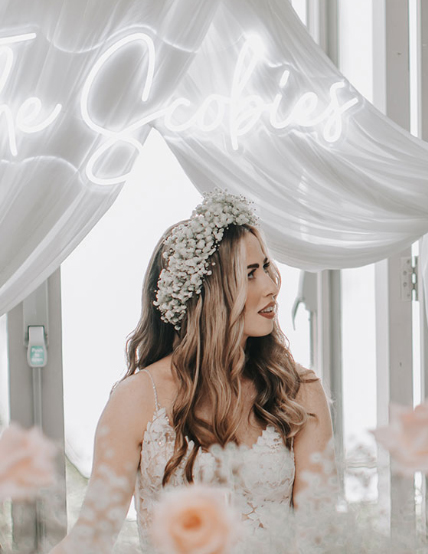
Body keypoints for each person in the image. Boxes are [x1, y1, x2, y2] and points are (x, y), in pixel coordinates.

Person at [52, 190, 334, 552]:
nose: (271, 286)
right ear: (209, 293)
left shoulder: (301, 391)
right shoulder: (136, 399)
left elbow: (319, 536)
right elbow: (91, 537)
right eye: (250, 274)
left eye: (265, 267)